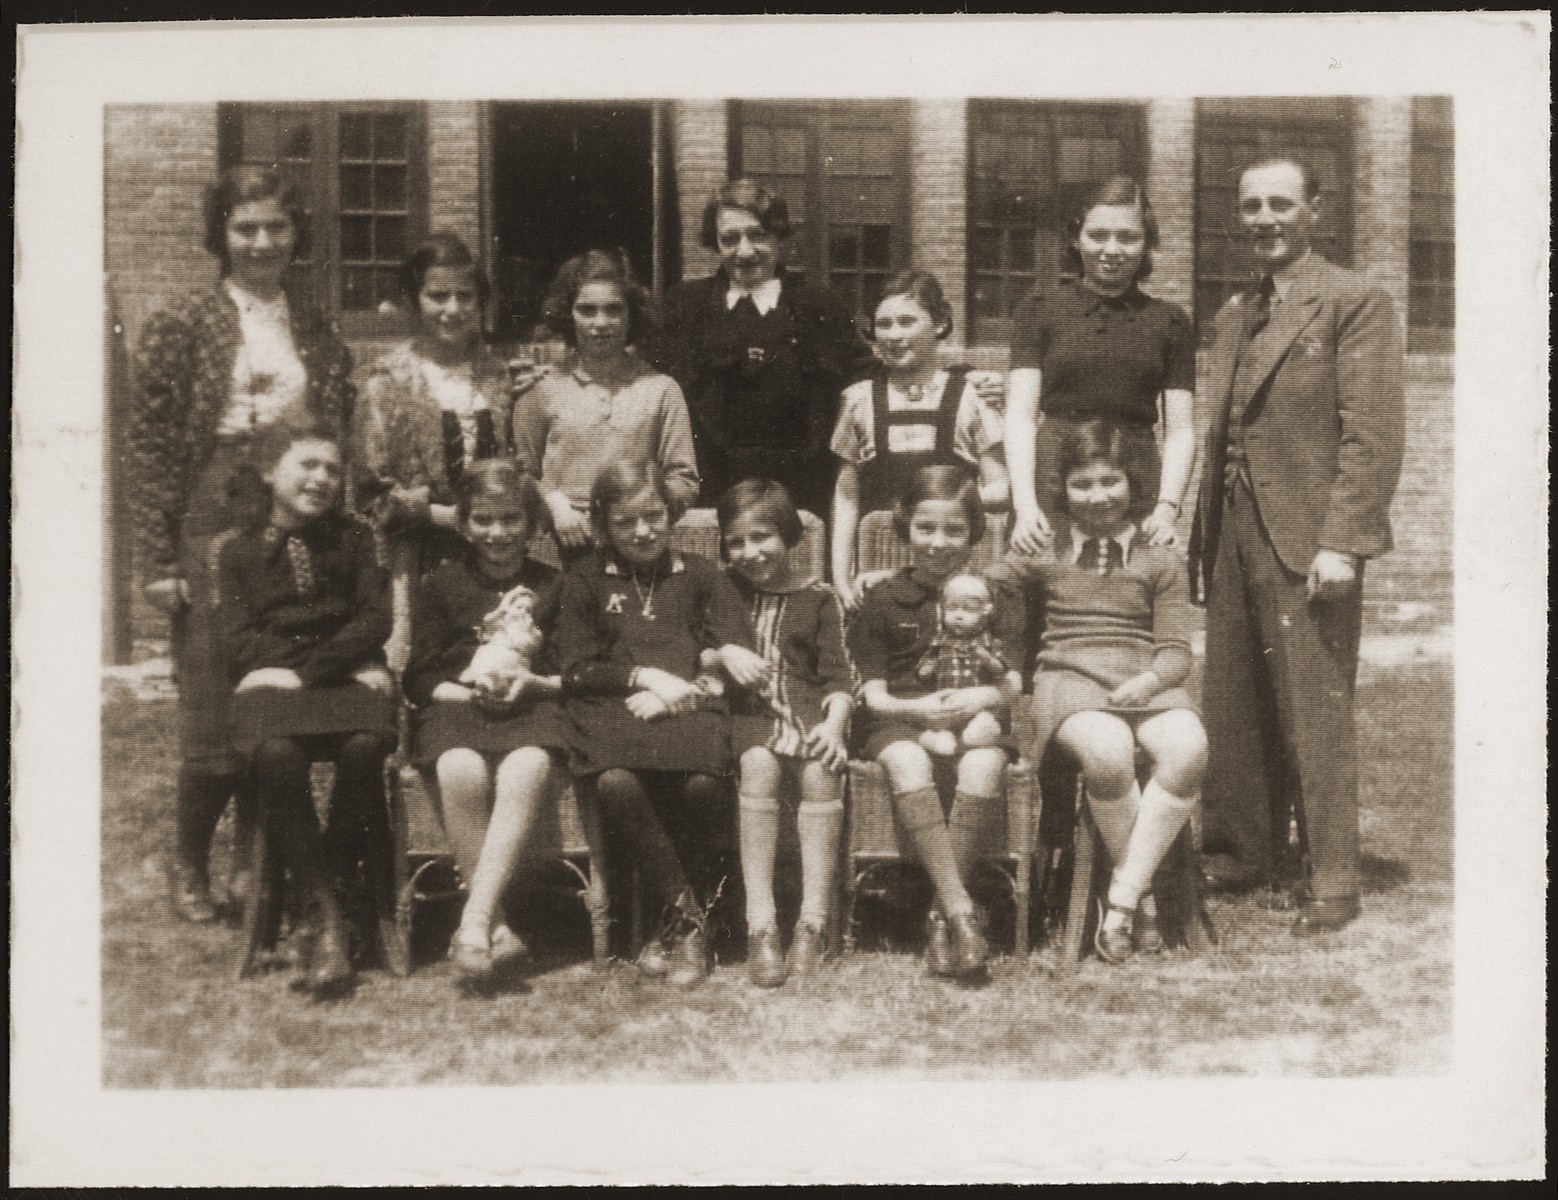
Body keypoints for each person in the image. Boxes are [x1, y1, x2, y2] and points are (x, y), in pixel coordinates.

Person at [129, 164, 355, 924]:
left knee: (275, 678)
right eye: (244, 228)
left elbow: (335, 432)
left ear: (297, 235)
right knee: (211, 695)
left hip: (292, 516)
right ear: (220, 235)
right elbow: (154, 449)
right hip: (212, 519)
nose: (262, 242)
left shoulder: (315, 326)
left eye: (276, 227)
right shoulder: (184, 320)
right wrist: (159, 562)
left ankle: (254, 864)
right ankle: (188, 861)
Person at [1189, 156, 1405, 936]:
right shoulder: (1233, 313)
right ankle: (1242, 854)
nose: (1265, 219)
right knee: (1236, 700)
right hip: (1233, 528)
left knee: (1314, 706)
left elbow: (1371, 436)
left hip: (1309, 537)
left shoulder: (1353, 299)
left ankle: (1332, 875)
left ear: (1317, 209)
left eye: (1281, 203)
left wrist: (1344, 542)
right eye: (1250, 206)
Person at [987, 420, 1204, 962]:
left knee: (1189, 748)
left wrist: (1151, 680)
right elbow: (983, 586)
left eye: (1112, 481)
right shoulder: (1044, 545)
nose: (1099, 496)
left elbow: (1177, 650)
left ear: (1134, 484)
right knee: (1107, 755)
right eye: (1082, 484)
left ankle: (1126, 898)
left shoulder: (1159, 555)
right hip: (1070, 677)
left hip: (1145, 679)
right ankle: (1144, 901)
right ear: (1061, 488)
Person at [555, 461, 759, 988]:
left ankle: (673, 924)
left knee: (702, 782)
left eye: (653, 516)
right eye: (627, 522)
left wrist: (679, 693)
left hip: (690, 706)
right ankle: (691, 920)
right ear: (603, 526)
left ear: (671, 515)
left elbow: (733, 650)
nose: (643, 531)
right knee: (615, 779)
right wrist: (644, 677)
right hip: (614, 710)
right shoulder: (583, 580)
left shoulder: (702, 575)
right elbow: (576, 669)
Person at [217, 421, 398, 998]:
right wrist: (283, 670)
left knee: (366, 747)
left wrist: (306, 670)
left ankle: (331, 896)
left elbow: (374, 619)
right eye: (308, 466)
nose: (322, 479)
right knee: (276, 756)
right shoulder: (239, 550)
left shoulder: (356, 538)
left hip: (338, 678)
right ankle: (327, 912)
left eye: (332, 468)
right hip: (275, 686)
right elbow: (240, 639)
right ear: (272, 472)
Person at [847, 465, 1026, 979]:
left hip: (977, 718)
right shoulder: (881, 598)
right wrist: (919, 710)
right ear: (905, 529)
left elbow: (1013, 684)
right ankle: (961, 911)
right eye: (925, 529)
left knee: (984, 766)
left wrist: (974, 699)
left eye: (954, 530)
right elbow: (874, 695)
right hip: (900, 719)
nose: (938, 543)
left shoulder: (999, 597)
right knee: (906, 760)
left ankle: (937, 916)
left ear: (974, 532)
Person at [402, 461, 575, 986]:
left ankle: (473, 921)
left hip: (532, 708)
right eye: (483, 520)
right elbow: (419, 674)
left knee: (527, 764)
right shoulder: (440, 584)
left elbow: (568, 669)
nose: (497, 533)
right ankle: (494, 923)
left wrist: (531, 683)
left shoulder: (553, 585)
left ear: (534, 525)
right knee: (459, 768)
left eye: (510, 520)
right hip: (457, 707)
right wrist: (464, 690)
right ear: (463, 524)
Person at [644, 179, 877, 517]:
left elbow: (867, 379)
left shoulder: (818, 305)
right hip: (711, 492)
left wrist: (966, 380)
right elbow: (643, 381)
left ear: (780, 237)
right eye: (730, 239)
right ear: (715, 243)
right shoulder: (685, 306)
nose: (744, 251)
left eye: (758, 235)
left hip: (803, 494)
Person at [1004, 175, 1198, 558]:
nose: (1112, 249)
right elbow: (1020, 417)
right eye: (1098, 235)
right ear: (1076, 239)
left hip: (1133, 478)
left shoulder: (1170, 321)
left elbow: (1180, 429)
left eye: (1128, 237)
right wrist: (1025, 505)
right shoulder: (1039, 310)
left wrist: (1167, 507)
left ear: (1146, 245)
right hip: (1052, 476)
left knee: (1129, 594)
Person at [352, 231, 516, 672]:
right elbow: (368, 494)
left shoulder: (497, 375)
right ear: (413, 300)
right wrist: (440, 516)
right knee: (418, 670)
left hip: (492, 553)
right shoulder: (385, 381)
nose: (452, 309)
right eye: (437, 296)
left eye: (464, 296)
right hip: (412, 560)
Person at [715, 479, 856, 988]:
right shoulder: (720, 590)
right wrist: (721, 654)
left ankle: (812, 923)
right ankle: (761, 924)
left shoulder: (819, 599)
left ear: (791, 536)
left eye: (763, 537)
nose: (751, 553)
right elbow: (692, 647)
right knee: (757, 763)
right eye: (736, 542)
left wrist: (835, 725)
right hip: (745, 716)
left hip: (808, 713)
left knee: (822, 768)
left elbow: (839, 674)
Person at [830, 270, 1009, 611]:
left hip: (955, 571)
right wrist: (841, 574)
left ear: (939, 324)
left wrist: (942, 509)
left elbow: (1000, 487)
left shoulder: (971, 395)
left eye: (907, 321)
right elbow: (847, 495)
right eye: (884, 324)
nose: (894, 335)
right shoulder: (858, 399)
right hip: (878, 567)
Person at [510, 249, 699, 563]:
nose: (601, 323)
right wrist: (555, 505)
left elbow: (683, 480)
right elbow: (522, 473)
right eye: (587, 310)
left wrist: (636, 516)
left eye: (614, 310)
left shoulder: (661, 389)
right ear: (568, 314)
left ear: (631, 314)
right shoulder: (540, 388)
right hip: (561, 546)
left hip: (638, 546)